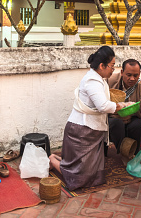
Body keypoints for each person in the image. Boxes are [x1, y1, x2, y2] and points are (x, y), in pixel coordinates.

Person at [49, 46, 125, 191]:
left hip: (91, 131)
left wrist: (119, 105)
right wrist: (122, 105)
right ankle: (52, 159)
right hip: (81, 131)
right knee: (78, 177)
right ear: (102, 66)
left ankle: (57, 161)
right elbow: (102, 106)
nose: (113, 69)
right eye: (112, 66)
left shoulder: (99, 78)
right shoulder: (92, 80)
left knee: (94, 176)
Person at [108, 59, 141, 155]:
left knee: (139, 126)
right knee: (116, 123)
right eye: (129, 75)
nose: (132, 79)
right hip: (114, 117)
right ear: (122, 72)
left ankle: (133, 153)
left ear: (139, 74)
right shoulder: (110, 81)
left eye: (135, 75)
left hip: (132, 118)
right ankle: (122, 151)